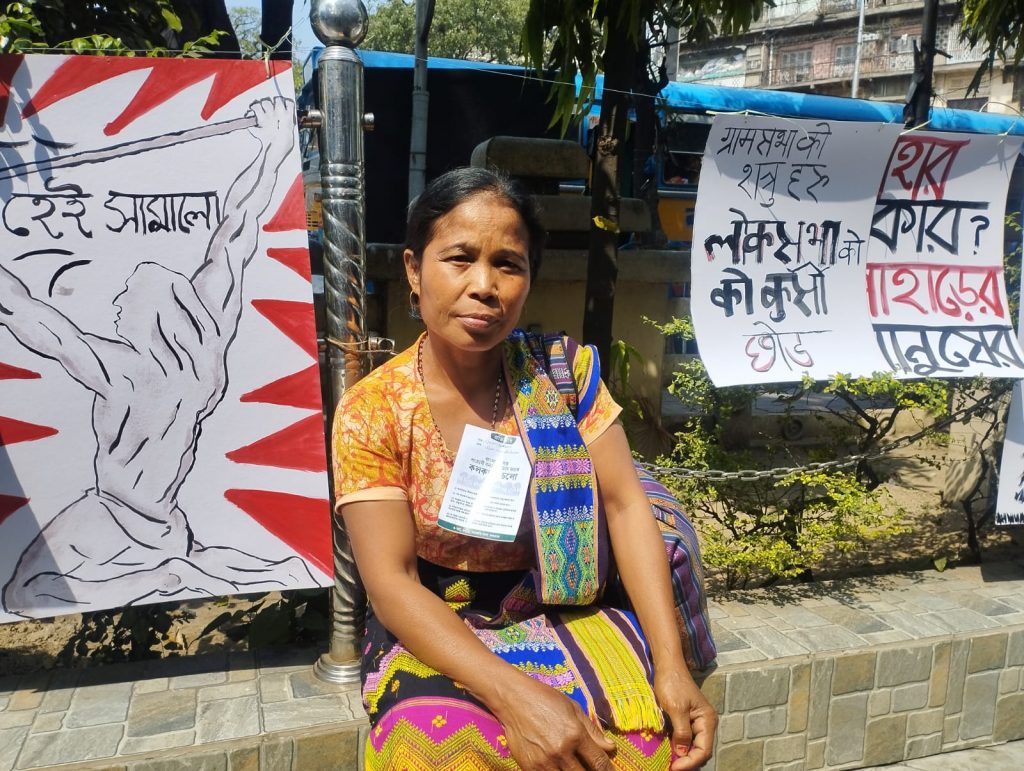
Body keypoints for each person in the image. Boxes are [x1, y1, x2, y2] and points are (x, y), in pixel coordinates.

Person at [332, 167, 717, 770]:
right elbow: (392, 583)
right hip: (438, 619)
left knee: (647, 738)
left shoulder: (565, 377)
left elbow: (624, 506)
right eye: (460, 258)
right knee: (431, 745)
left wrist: (671, 665)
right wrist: (516, 697)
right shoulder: (373, 410)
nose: (485, 286)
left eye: (508, 264)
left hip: (563, 602)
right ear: (414, 269)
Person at [1, 97, 314, 617]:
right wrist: (274, 147)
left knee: (23, 593)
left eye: (125, 299)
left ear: (146, 314)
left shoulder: (123, 372)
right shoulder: (204, 350)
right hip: (165, 519)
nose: (117, 307)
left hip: (113, 516)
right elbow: (235, 233)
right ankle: (180, 564)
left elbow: (24, 314)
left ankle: (167, 575)